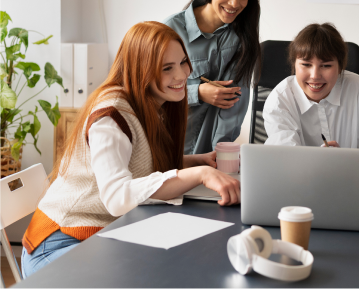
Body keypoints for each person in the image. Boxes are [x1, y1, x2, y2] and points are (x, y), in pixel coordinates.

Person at [21, 22, 240, 277]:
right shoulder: (111, 117)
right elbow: (117, 197)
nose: (181, 75)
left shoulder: (146, 103)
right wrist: (199, 174)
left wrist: (194, 161)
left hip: (98, 236)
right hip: (60, 244)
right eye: (167, 68)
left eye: (183, 62)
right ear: (141, 69)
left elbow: (137, 161)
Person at [263, 23, 359, 170]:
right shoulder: (279, 100)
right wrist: (323, 162)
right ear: (294, 65)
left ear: (340, 67)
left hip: (354, 185)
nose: (315, 76)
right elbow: (286, 161)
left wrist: (344, 160)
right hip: (299, 187)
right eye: (306, 64)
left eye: (326, 66)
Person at [164, 0, 261, 155]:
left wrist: (220, 154)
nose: (235, 3)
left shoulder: (242, 38)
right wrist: (197, 92)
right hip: (166, 146)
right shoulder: (172, 29)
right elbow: (149, 88)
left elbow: (234, 107)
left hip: (211, 155)